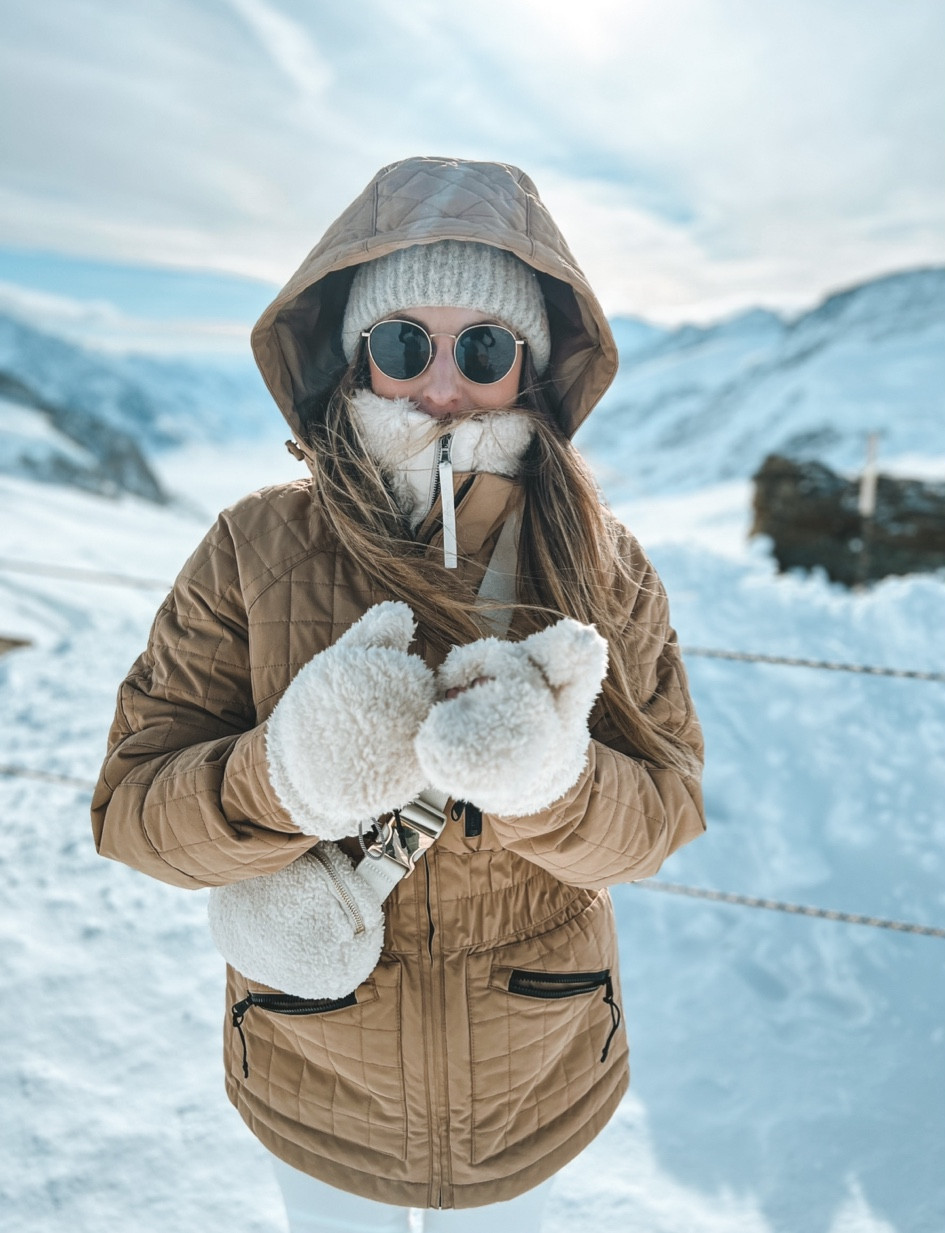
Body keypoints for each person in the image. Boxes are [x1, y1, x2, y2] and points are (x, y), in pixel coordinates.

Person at [91, 156, 705, 1232]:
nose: (438, 382)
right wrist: (281, 775)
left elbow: (659, 821)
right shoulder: (252, 548)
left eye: (481, 346)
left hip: (532, 1076)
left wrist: (552, 784)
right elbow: (134, 817)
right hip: (315, 1067)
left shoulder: (602, 565)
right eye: (400, 341)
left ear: (531, 368)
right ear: (351, 356)